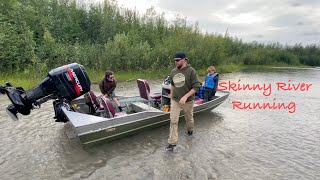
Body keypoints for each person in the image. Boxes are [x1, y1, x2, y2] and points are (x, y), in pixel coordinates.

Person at [166, 51, 201, 152]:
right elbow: (172, 84)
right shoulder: (173, 72)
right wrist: (171, 95)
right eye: (175, 61)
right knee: (173, 121)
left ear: (184, 60)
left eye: (177, 60)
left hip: (188, 101)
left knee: (189, 119)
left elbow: (196, 86)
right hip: (176, 100)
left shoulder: (191, 71)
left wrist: (185, 97)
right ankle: (172, 143)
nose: (176, 62)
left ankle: (190, 131)